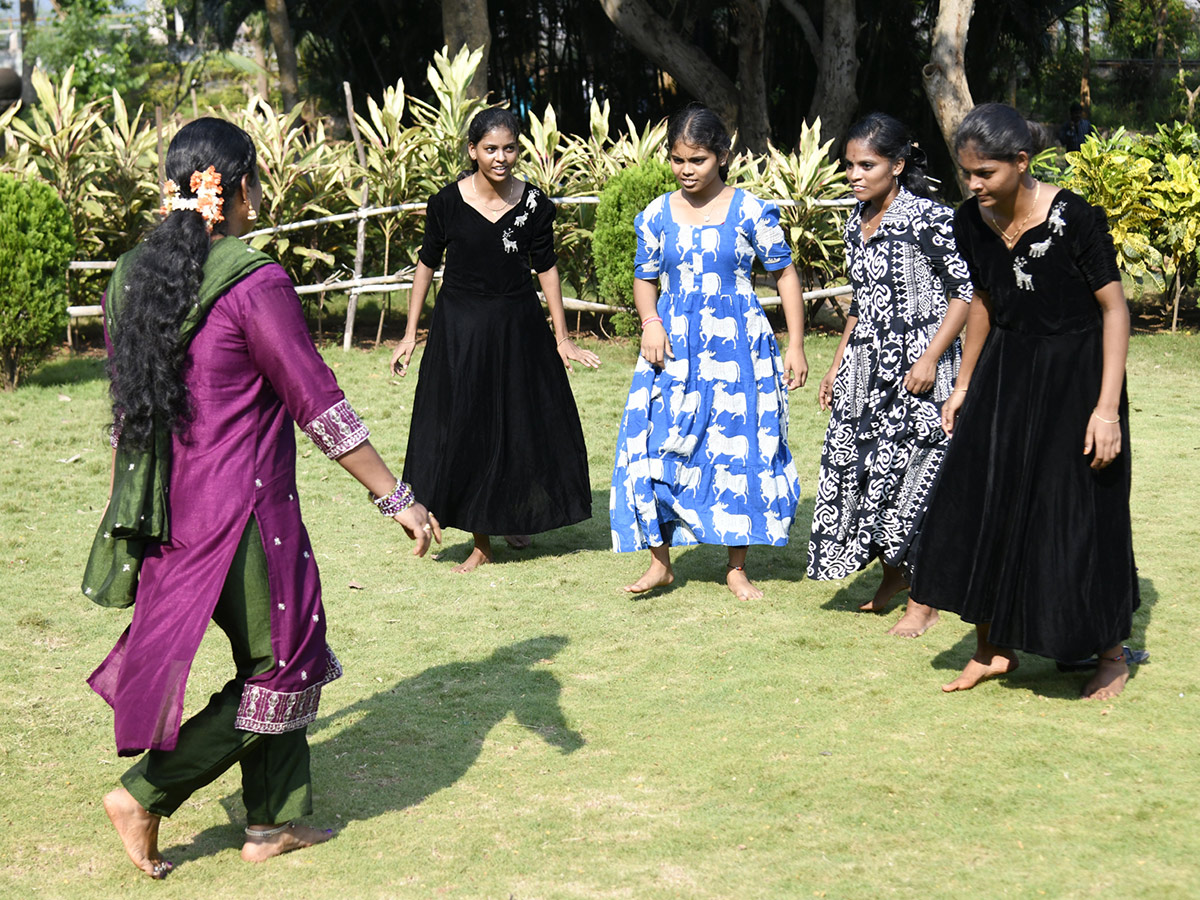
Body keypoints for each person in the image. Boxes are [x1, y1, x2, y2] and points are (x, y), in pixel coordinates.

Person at [82, 117, 442, 879]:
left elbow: (127, 410)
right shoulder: (254, 281)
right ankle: (146, 792)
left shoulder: (129, 279)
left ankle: (272, 823)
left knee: (272, 653)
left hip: (162, 513)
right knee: (287, 663)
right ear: (241, 188)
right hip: (242, 515)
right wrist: (396, 497)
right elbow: (316, 401)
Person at [909, 103, 1139, 699]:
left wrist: (1106, 409)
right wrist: (963, 386)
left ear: (1021, 162)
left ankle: (1109, 653)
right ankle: (992, 648)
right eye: (966, 173)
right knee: (983, 499)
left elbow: (1115, 311)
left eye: (985, 173)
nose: (974, 185)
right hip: (1006, 372)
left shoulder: (1074, 218)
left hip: (1078, 377)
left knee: (1078, 511)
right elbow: (984, 301)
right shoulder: (970, 219)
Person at [610, 105, 808, 601]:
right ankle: (661, 563)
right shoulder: (656, 214)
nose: (687, 169)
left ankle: (736, 567)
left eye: (697, 158)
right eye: (678, 159)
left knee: (736, 446)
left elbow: (784, 275)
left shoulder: (749, 211)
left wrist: (797, 345)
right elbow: (645, 276)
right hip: (671, 347)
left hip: (739, 346)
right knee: (654, 443)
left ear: (722, 156)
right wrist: (650, 322)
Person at [391, 107, 598, 573]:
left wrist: (562, 338)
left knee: (519, 422)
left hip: (516, 326)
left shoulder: (534, 206)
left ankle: (510, 512)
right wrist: (409, 334)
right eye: (490, 149)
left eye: (509, 148)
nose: (501, 157)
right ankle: (481, 537)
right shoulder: (446, 203)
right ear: (472, 151)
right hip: (460, 330)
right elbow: (426, 264)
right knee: (471, 424)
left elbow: (546, 268)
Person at [807, 113, 973, 638]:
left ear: (897, 165)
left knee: (915, 477)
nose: (854, 174)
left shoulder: (931, 218)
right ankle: (892, 576)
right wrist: (836, 366)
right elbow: (860, 303)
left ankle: (923, 601)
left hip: (921, 367)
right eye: (849, 165)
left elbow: (964, 294)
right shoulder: (854, 221)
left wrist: (930, 357)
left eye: (867, 164)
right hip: (864, 368)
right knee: (863, 473)